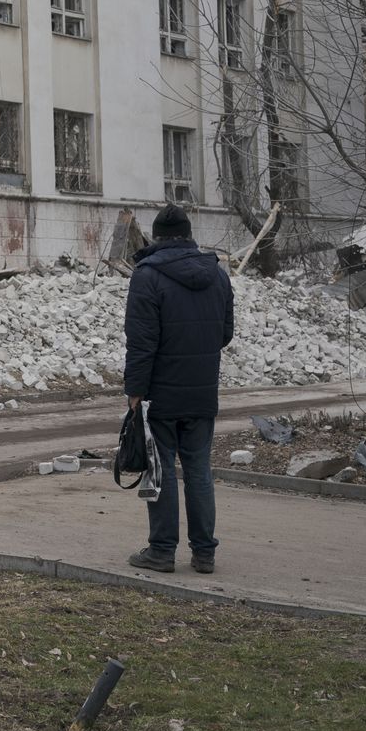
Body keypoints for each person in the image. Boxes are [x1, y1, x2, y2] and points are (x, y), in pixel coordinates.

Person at [122, 204, 235, 575]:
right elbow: (224, 334)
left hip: (161, 393)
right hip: (202, 392)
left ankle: (162, 550)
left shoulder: (146, 276)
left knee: (162, 470)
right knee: (199, 471)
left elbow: (141, 342)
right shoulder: (217, 275)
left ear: (156, 237)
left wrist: (135, 392)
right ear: (188, 234)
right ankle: (205, 553)